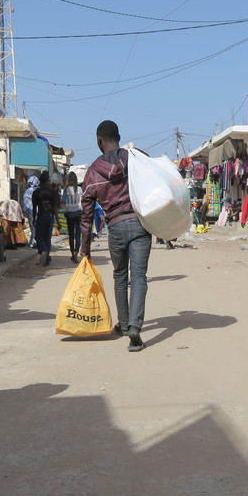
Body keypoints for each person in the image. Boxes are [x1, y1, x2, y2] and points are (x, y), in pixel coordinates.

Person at [80, 120, 151, 353]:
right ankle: (135, 327)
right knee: (138, 276)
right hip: (140, 224)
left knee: (120, 275)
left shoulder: (92, 172)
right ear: (119, 137)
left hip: (116, 227)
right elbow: (152, 169)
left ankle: (124, 324)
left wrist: (85, 247)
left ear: (99, 140)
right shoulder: (134, 157)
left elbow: (86, 215)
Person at [32, 172, 58, 266]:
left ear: (40, 181)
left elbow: (34, 207)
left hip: (41, 216)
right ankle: (46, 258)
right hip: (50, 217)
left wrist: (34, 219)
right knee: (48, 238)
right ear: (48, 180)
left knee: (39, 237)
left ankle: (44, 250)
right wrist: (58, 221)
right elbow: (54, 207)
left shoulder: (36, 192)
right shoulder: (52, 192)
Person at [61, 171, 84, 263]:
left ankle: (72, 254)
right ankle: (76, 253)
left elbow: (63, 202)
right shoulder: (80, 189)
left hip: (69, 214)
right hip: (79, 213)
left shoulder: (66, 190)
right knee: (78, 234)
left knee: (71, 234)